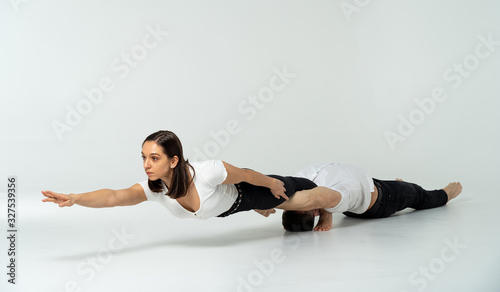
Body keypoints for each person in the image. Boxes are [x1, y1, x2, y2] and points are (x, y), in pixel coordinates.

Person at [42, 130, 324, 219]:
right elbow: (115, 196)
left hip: (253, 190)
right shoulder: (155, 189)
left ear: (174, 160)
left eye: (154, 158)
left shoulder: (207, 172)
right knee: (293, 211)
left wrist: (272, 184)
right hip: (234, 206)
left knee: (302, 190)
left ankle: (328, 210)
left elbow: (245, 174)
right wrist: (75, 198)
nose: (146, 165)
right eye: (144, 158)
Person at [272, 162, 463, 232]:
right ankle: (447, 193)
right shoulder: (329, 197)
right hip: (383, 200)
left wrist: (266, 201)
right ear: (314, 210)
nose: (299, 196)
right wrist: (327, 212)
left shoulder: (299, 186)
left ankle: (399, 186)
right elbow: (320, 198)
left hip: (366, 186)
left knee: (398, 187)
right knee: (419, 196)